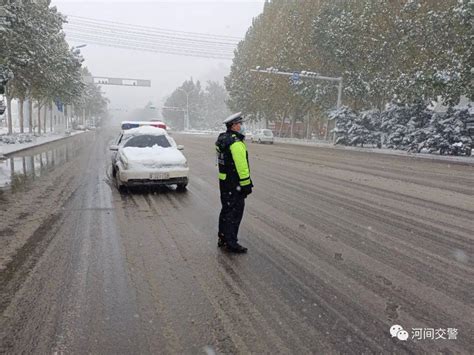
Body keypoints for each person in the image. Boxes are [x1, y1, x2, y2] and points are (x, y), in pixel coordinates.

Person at [215, 112, 253, 253]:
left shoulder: (222, 139)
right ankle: (231, 242)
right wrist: (246, 185)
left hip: (224, 181)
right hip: (235, 183)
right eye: (240, 124)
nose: (241, 126)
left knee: (226, 211)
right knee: (235, 213)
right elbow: (242, 167)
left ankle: (223, 237)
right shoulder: (236, 143)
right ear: (234, 126)